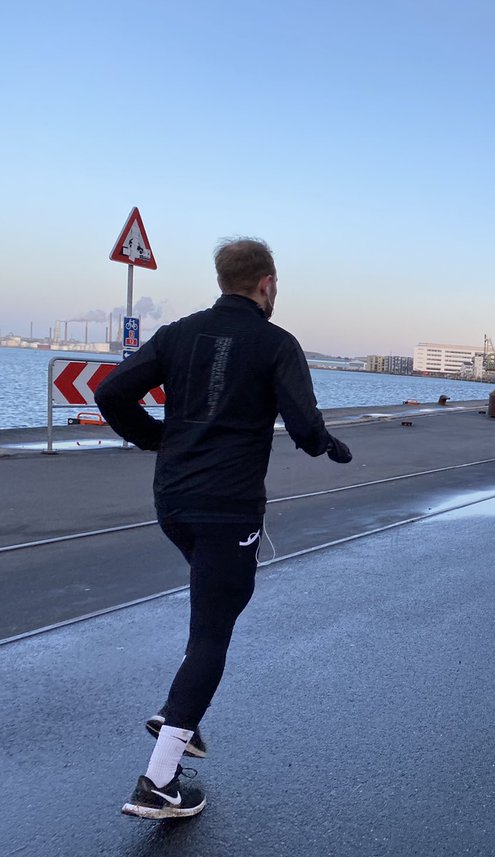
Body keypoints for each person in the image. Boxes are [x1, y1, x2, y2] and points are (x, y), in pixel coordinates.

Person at [96, 238, 353, 819]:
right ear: (266, 283)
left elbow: (110, 391)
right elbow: (306, 424)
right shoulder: (276, 342)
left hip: (174, 504)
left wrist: (158, 438)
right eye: (276, 283)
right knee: (212, 634)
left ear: (222, 279)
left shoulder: (180, 333)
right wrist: (328, 446)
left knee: (215, 610)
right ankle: (159, 780)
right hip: (227, 506)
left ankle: (178, 718)